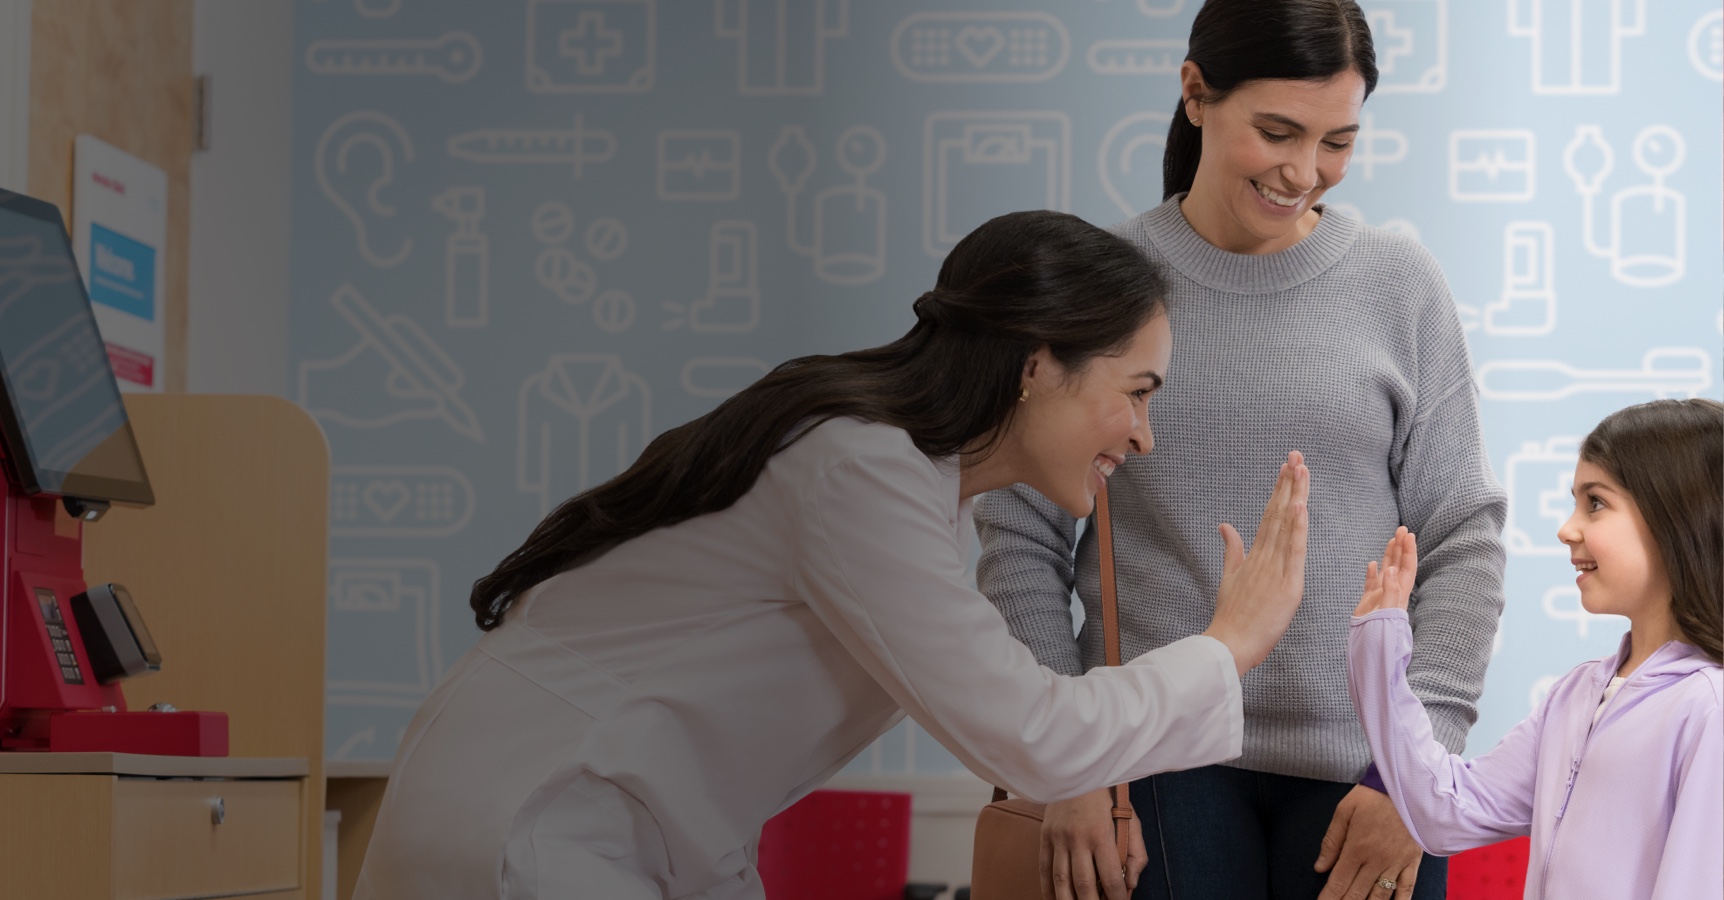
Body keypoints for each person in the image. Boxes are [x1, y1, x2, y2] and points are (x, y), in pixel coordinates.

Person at [353, 211, 1314, 900]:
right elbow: (1032, 735)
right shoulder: (861, 468)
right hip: (533, 824)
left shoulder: (904, 487)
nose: (1146, 435)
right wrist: (1225, 646)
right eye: (1136, 392)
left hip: (625, 825)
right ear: (1034, 365)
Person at [975, 3, 1506, 899]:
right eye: (1276, 132)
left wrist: (1419, 769)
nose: (1305, 172)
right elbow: (1017, 534)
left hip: (1365, 767)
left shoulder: (1398, 283)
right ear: (1195, 93)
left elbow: (1465, 537)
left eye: (1338, 141)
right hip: (1148, 756)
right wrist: (1062, 756)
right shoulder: (1101, 284)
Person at [1350, 398, 1723, 899]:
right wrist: (1379, 653)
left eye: (1595, 502)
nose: (1567, 529)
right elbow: (1442, 813)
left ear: (1674, 518)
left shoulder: (1708, 709)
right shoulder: (1575, 695)